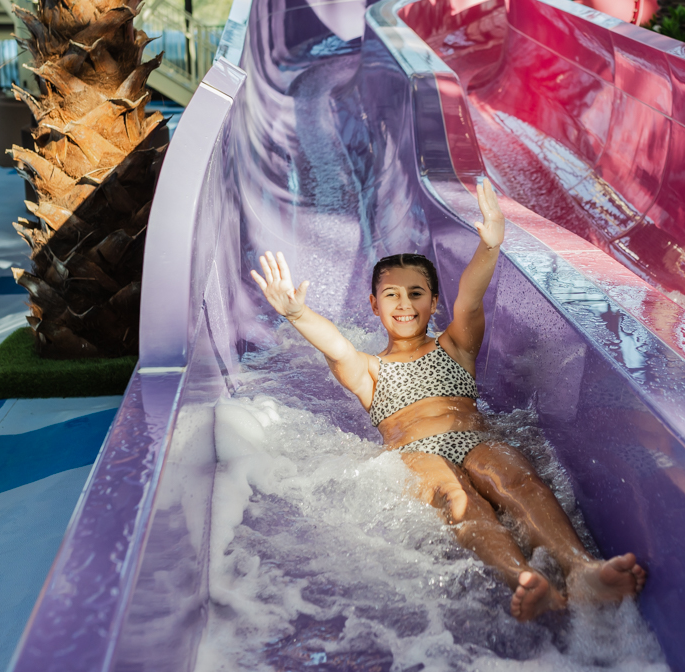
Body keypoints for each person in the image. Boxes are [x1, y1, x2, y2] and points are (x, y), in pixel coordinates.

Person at [250, 179, 646, 621]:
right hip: (415, 451)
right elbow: (337, 347)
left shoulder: (454, 345)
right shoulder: (369, 370)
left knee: (518, 479)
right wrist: (298, 313)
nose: (404, 304)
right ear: (374, 305)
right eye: (392, 295)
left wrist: (490, 246)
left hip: (473, 438)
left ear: (434, 301)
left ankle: (581, 570)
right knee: (457, 499)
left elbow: (471, 299)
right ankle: (523, 578)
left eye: (416, 293)